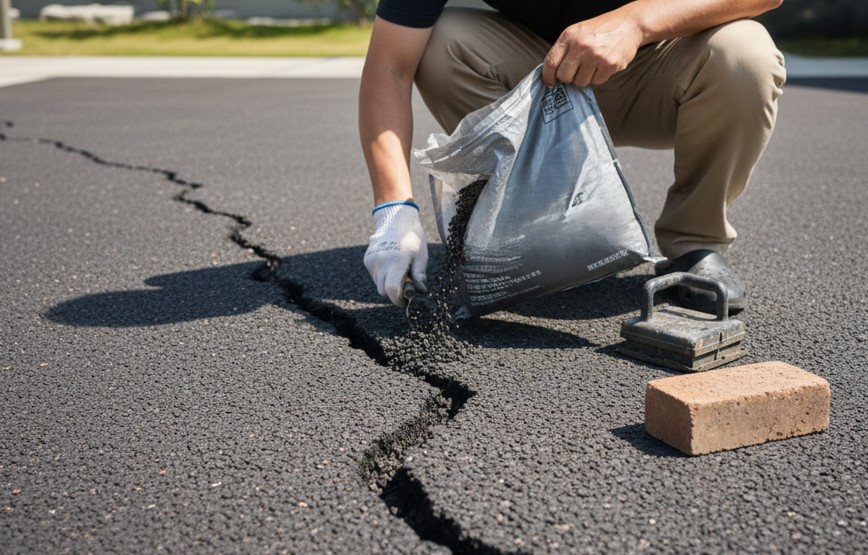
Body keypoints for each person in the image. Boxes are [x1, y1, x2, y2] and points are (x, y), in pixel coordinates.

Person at [360, 0, 786, 313]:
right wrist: (394, 209)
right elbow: (389, 67)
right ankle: (533, 233)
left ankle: (695, 243)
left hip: (663, 68)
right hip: (536, 79)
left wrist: (635, 22)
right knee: (441, 40)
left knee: (745, 54)